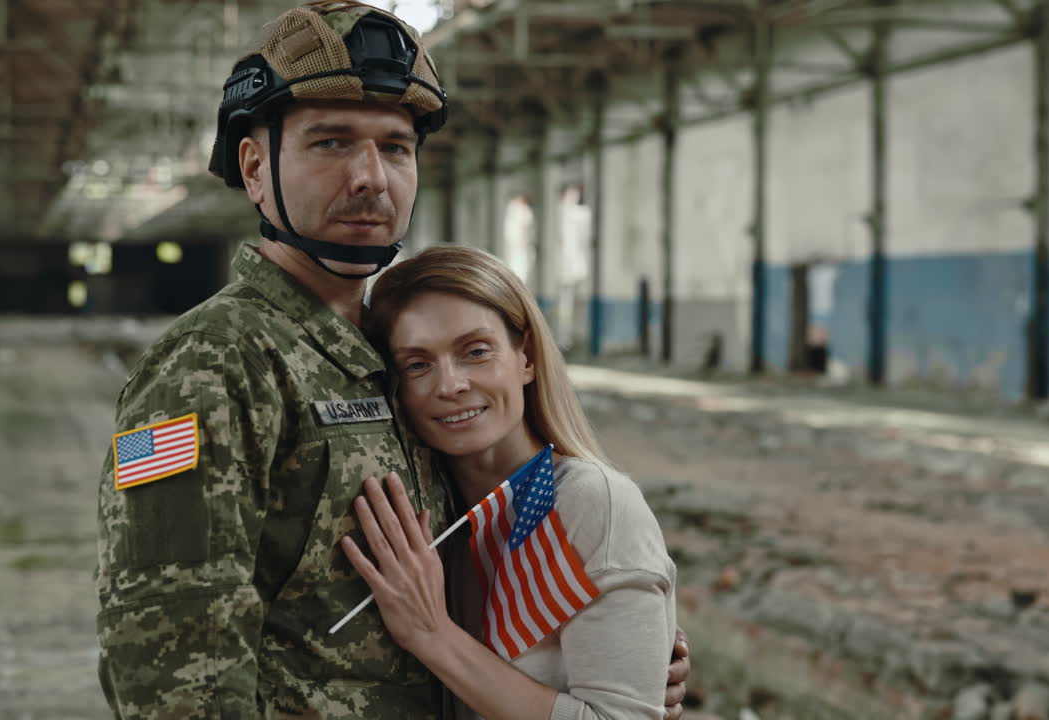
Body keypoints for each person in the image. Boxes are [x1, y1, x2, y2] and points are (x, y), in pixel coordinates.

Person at [94, 2, 690, 718]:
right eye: (331, 143)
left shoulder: (387, 355)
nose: (371, 177)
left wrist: (604, 652)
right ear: (254, 168)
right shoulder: (207, 367)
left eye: (396, 148)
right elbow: (171, 670)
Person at [343, 246, 680, 719]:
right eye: (417, 364)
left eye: (475, 352)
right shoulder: (432, 511)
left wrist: (432, 634)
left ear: (527, 358)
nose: (450, 385)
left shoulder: (592, 502)